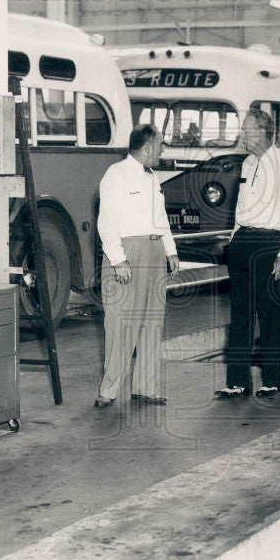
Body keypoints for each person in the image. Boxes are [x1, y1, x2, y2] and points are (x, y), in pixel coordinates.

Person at [215, 108, 280, 399]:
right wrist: (233, 238)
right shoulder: (248, 163)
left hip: (270, 245)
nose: (242, 135)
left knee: (271, 316)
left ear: (263, 132)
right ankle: (237, 381)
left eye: (247, 130)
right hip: (243, 243)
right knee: (240, 316)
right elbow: (241, 208)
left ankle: (272, 378)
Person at [95, 124, 179, 408]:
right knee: (120, 325)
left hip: (154, 251)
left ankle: (146, 387)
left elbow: (161, 217)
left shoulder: (153, 177)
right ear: (146, 148)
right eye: (160, 146)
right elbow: (105, 222)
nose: (162, 150)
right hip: (127, 252)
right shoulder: (115, 175)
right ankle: (108, 391)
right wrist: (118, 260)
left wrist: (171, 251)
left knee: (152, 323)